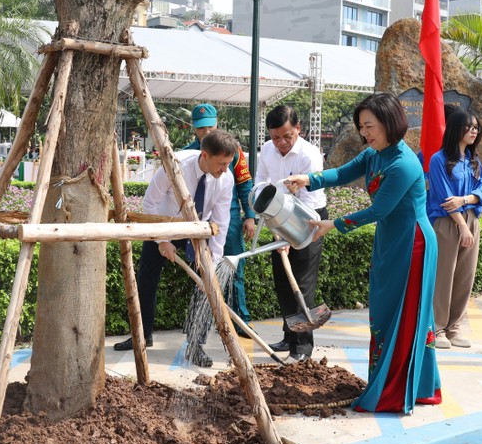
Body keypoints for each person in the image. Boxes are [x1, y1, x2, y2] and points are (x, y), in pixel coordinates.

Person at [285, 92, 442, 413]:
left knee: (405, 314)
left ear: (389, 122)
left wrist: (334, 224)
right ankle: (415, 384)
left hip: (413, 244)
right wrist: (308, 179)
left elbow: (380, 209)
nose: (365, 133)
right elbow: (342, 173)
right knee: (386, 312)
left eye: (370, 126)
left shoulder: (403, 163)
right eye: (362, 127)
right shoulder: (375, 154)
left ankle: (395, 391)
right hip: (391, 241)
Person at [114, 130, 239, 367]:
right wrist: (162, 241)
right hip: (163, 223)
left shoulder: (226, 178)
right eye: (222, 163)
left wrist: (213, 260)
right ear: (205, 155)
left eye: (228, 164)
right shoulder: (176, 166)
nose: (225, 169)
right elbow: (149, 202)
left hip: (197, 229)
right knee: (146, 280)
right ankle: (142, 334)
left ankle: (195, 344)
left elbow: (221, 222)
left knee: (204, 286)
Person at [255, 105, 327, 362]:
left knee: (303, 285)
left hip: (309, 220)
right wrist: (277, 226)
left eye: (287, 136)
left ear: (298, 129)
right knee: (283, 282)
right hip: (276, 217)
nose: (281, 143)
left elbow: (310, 201)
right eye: (275, 137)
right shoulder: (266, 150)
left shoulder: (310, 155)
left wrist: (291, 233)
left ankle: (302, 348)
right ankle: (289, 335)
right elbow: (261, 182)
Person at [182, 103, 256, 335]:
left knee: (233, 267)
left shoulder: (232, 150)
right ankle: (202, 323)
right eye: (201, 128)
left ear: (217, 124)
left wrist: (250, 216)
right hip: (199, 220)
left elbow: (245, 185)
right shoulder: (188, 153)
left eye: (210, 127)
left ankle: (240, 320)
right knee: (202, 268)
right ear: (194, 129)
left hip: (230, 217)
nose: (206, 132)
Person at [427, 110, 482, 349]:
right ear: (455, 129)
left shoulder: (474, 162)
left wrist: (464, 201)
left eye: (476, 128)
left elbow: (480, 194)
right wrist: (462, 225)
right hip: (447, 223)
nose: (474, 131)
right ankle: (438, 328)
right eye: (469, 127)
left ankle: (454, 327)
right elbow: (444, 198)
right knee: (443, 277)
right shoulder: (438, 160)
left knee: (465, 276)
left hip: (471, 221)